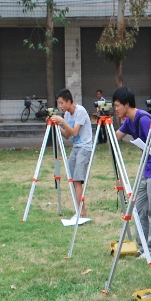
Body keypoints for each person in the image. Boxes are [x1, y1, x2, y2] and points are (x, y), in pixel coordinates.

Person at [113, 87, 151, 253]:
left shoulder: (143, 119)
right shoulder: (129, 120)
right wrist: (103, 124)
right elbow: (116, 136)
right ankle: (142, 246)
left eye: (117, 105)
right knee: (139, 208)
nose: (115, 109)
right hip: (145, 168)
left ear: (127, 104)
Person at [50, 89, 92, 219]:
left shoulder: (80, 111)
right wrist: (57, 125)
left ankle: (82, 211)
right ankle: (79, 208)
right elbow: (67, 135)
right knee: (72, 179)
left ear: (69, 101)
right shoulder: (67, 115)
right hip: (76, 147)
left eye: (62, 103)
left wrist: (62, 121)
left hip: (84, 147)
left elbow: (74, 132)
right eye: (59, 103)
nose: (60, 106)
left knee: (77, 180)